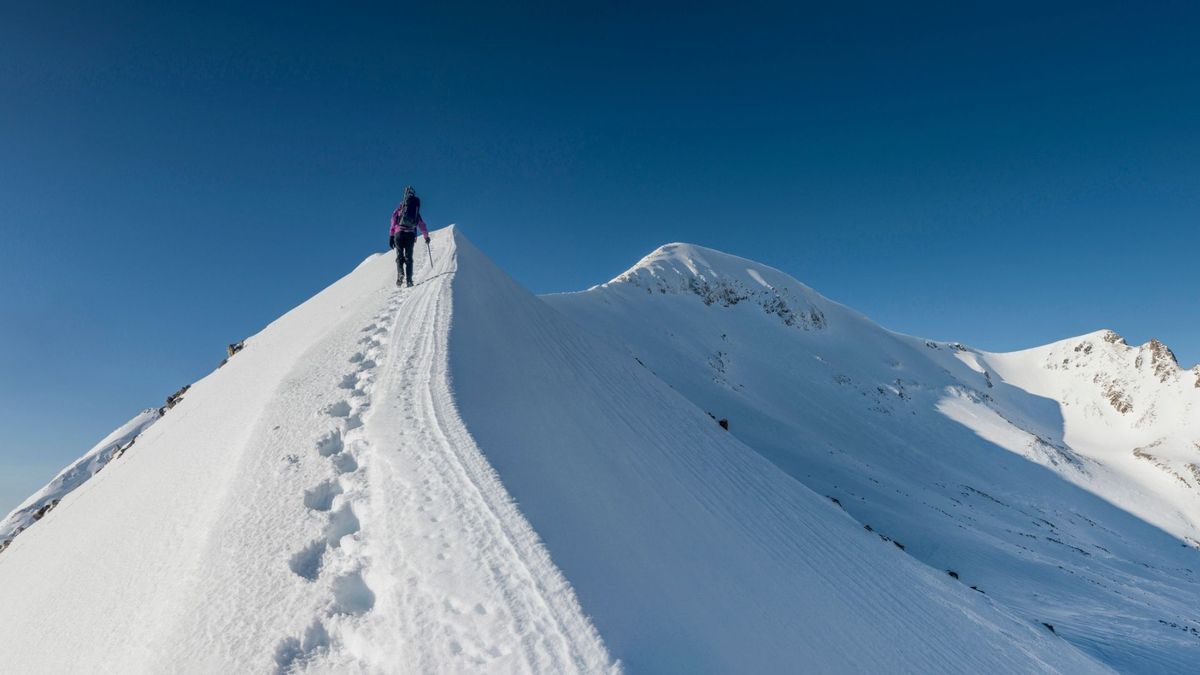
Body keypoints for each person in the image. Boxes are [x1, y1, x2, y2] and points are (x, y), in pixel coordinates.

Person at [389, 186, 430, 287]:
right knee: (409, 258)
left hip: (398, 234)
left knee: (399, 256)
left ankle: (400, 274)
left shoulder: (398, 210)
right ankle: (409, 280)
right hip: (410, 235)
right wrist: (426, 237)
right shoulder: (416, 213)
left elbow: (393, 224)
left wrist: (391, 236)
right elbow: (422, 225)